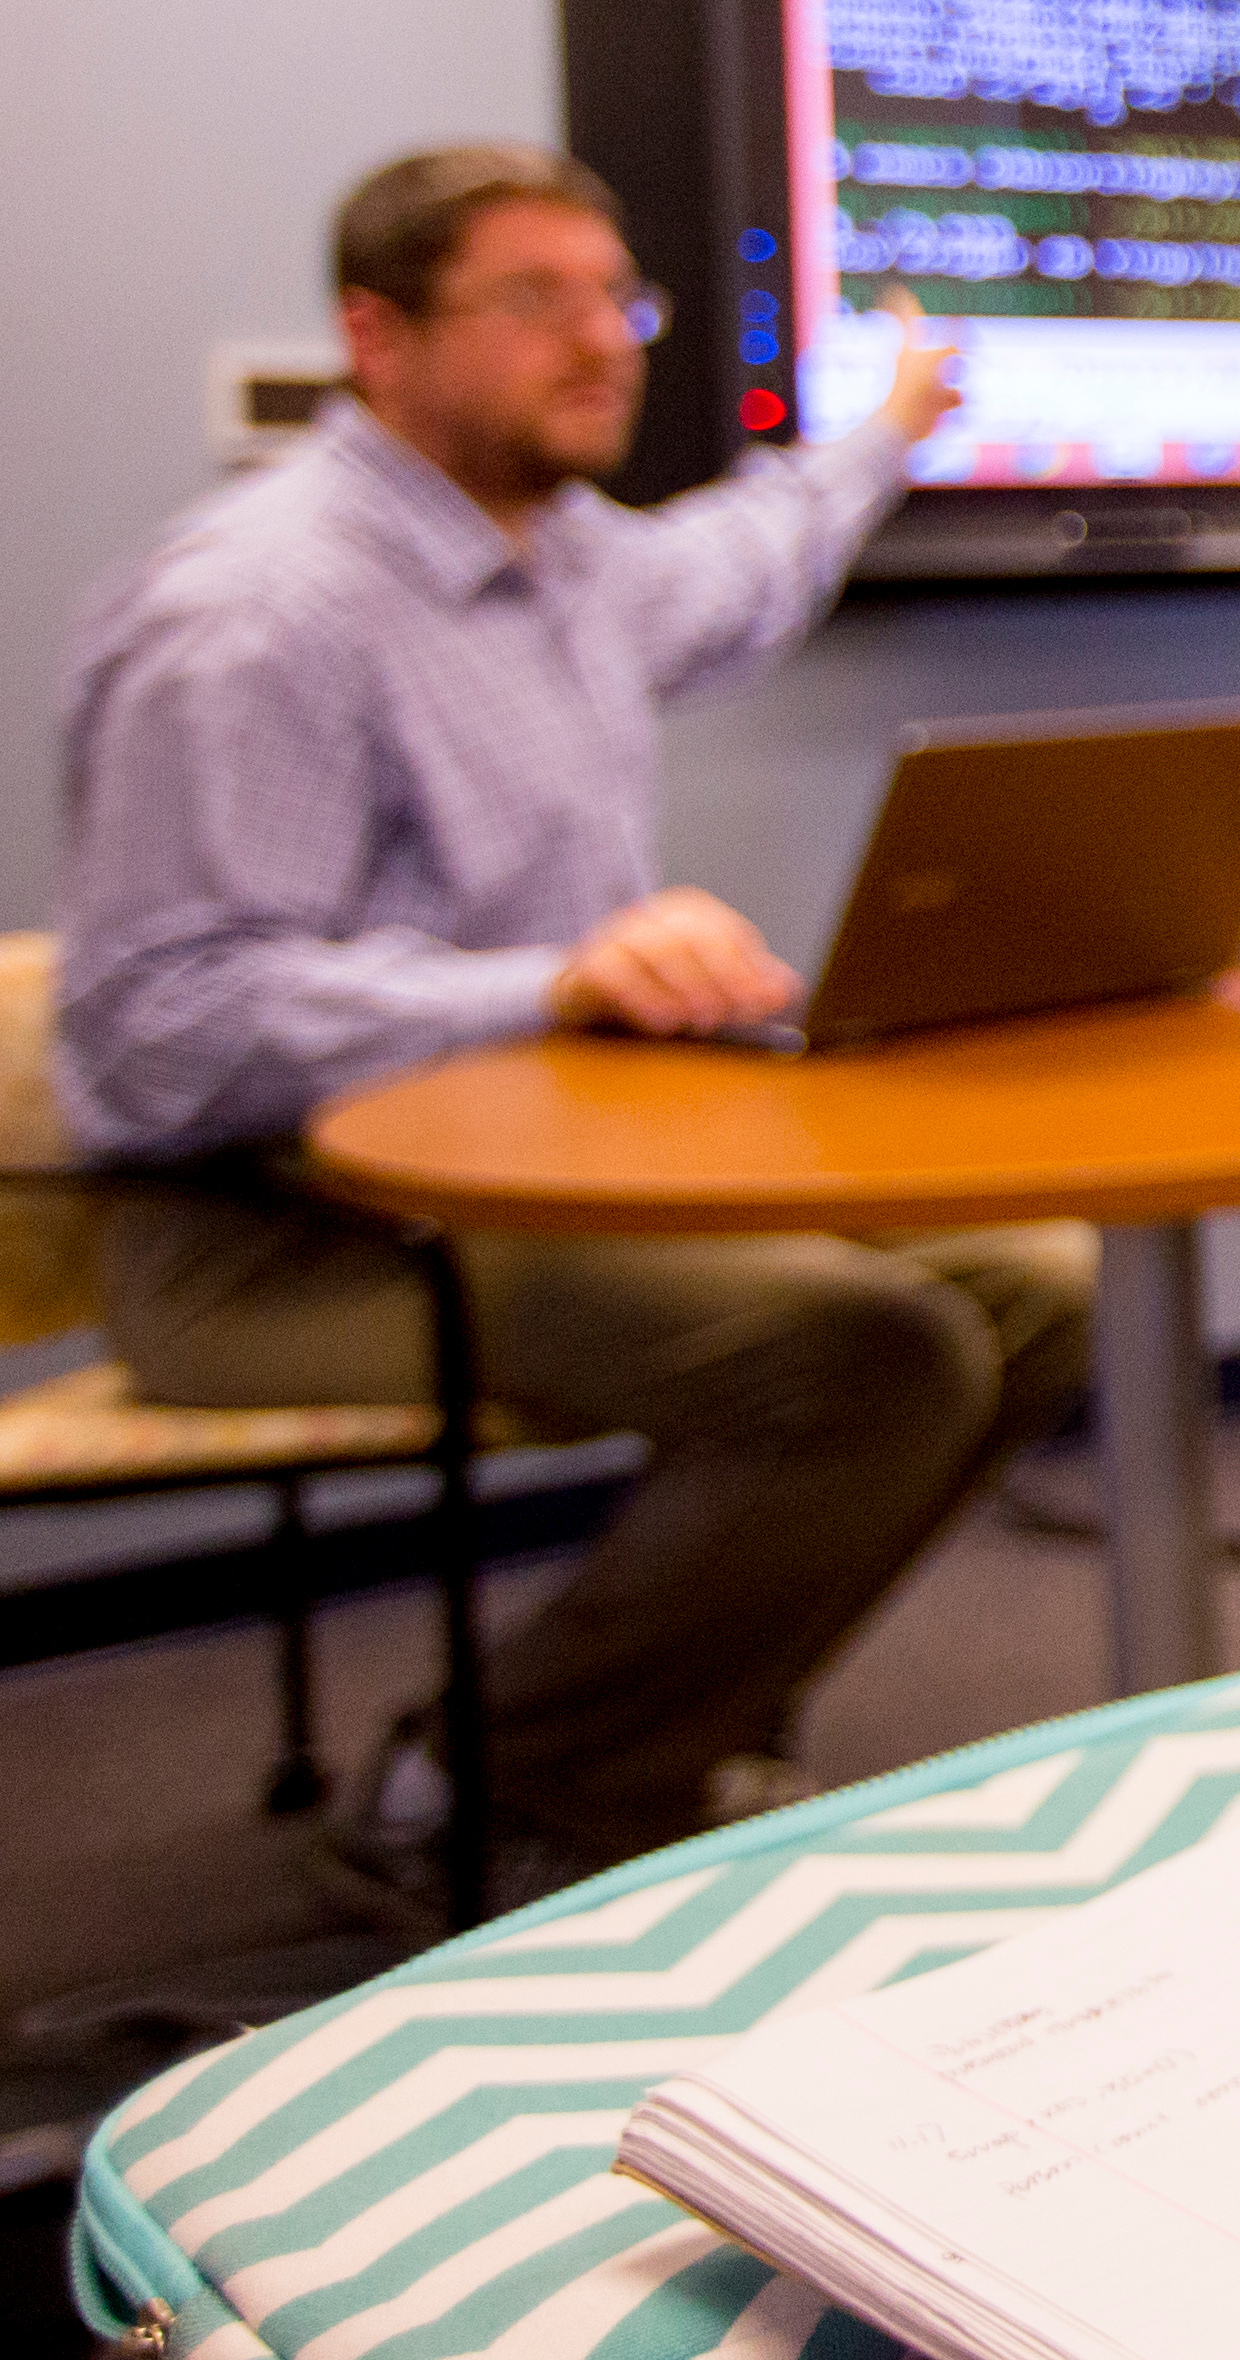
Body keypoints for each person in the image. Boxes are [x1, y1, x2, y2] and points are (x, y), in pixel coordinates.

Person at [52, 145, 1092, 1906]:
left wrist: (890, 427)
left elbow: (750, 557)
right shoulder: (253, 615)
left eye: (620, 298)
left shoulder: (567, 567)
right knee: (864, 1350)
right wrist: (551, 983)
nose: (603, 341)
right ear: (376, 339)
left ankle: (649, 1744)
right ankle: (483, 1787)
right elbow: (163, 1023)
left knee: (1039, 1278)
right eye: (537, 301)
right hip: (269, 1231)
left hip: (538, 1172)